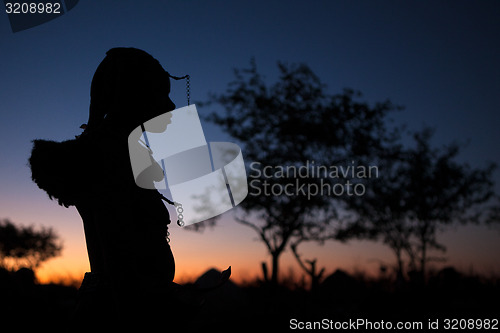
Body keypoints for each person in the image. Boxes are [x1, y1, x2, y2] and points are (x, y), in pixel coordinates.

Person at [29, 48, 194, 329]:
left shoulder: (119, 150)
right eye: (159, 93)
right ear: (132, 94)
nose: (169, 106)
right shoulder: (106, 154)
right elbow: (120, 265)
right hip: (121, 318)